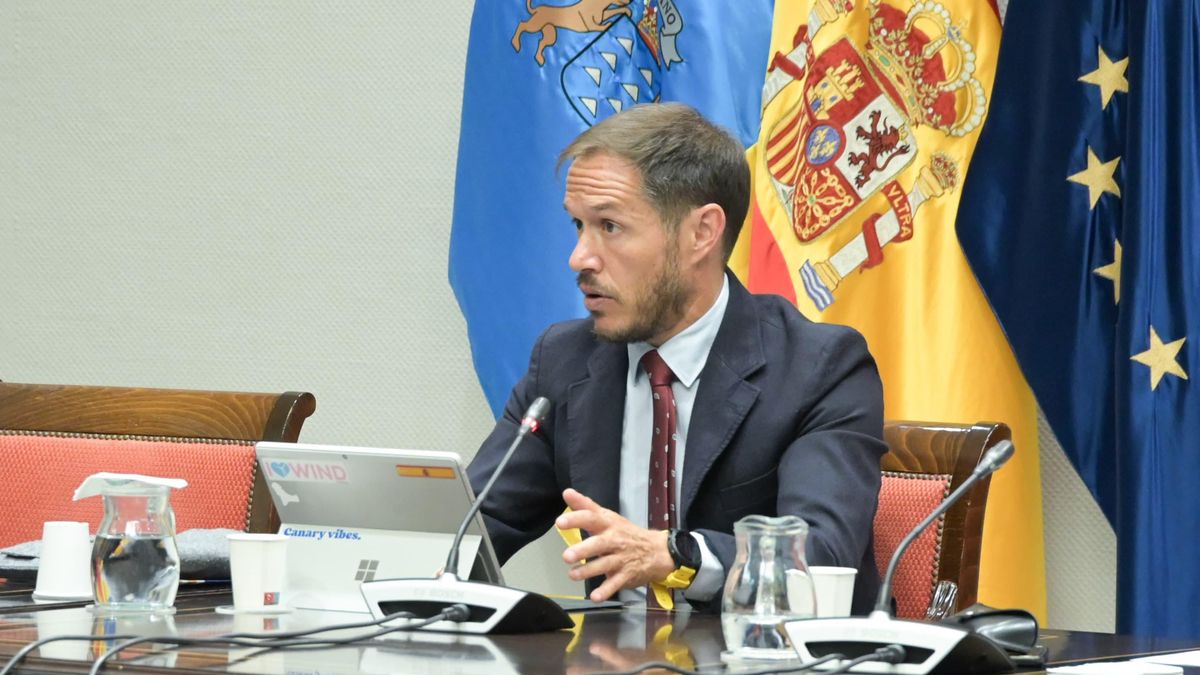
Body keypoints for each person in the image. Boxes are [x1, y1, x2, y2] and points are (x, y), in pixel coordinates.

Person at [467, 102, 886, 614]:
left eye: (610, 226)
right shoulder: (564, 360)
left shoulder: (818, 368)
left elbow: (820, 559)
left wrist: (675, 555)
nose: (580, 258)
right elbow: (471, 530)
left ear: (702, 233)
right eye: (579, 225)